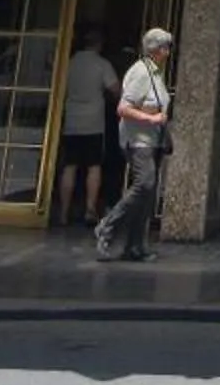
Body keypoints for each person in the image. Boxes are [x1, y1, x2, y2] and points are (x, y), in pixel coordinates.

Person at [95, 25, 173, 263]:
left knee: (148, 194)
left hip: (153, 140)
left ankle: (135, 246)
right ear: (156, 49)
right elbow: (124, 108)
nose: (168, 52)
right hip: (139, 140)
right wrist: (151, 118)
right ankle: (108, 225)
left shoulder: (155, 73)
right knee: (144, 183)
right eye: (165, 47)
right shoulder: (141, 72)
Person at [56, 24, 120, 230]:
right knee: (94, 165)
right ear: (99, 44)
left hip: (72, 120)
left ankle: (64, 212)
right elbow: (115, 90)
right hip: (93, 121)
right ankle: (90, 209)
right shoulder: (102, 65)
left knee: (70, 166)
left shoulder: (70, 63)